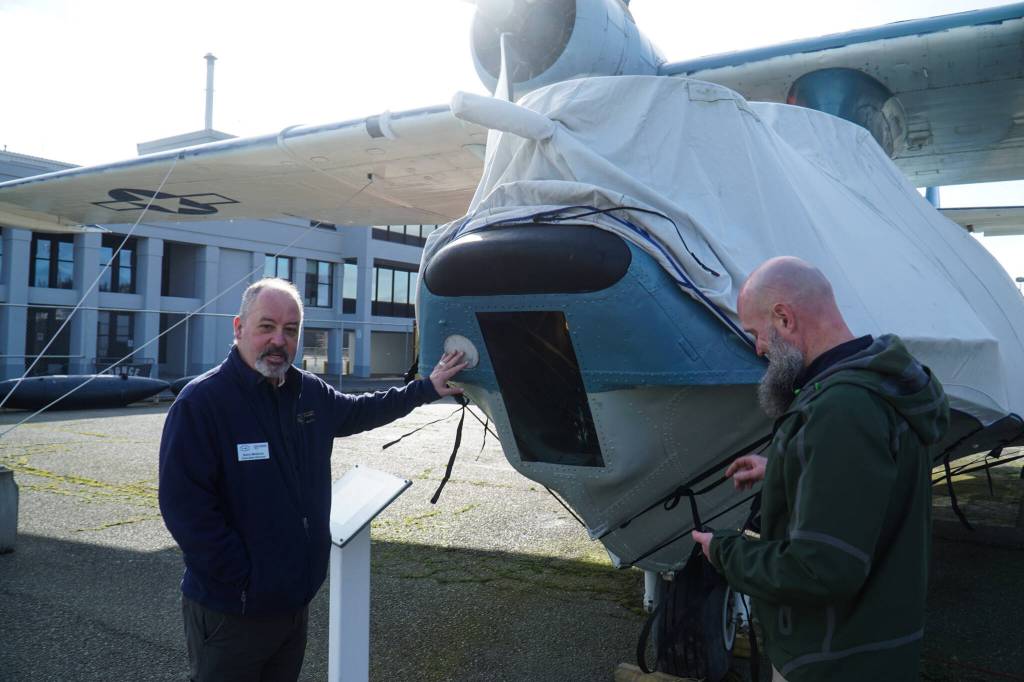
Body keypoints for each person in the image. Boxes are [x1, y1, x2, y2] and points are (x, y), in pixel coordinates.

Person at [158, 277, 466, 682]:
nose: (279, 340)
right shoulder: (202, 403)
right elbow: (185, 508)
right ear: (238, 328)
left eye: (290, 330)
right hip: (233, 611)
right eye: (266, 326)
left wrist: (425, 389)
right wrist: (244, 578)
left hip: (292, 602)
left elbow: (361, 411)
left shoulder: (308, 393)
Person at [691, 256, 949, 681]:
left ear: (784, 318)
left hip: (835, 662)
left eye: (757, 334)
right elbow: (870, 474)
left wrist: (723, 551)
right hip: (868, 647)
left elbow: (820, 570)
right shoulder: (872, 381)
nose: (757, 349)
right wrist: (783, 463)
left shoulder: (843, 408)